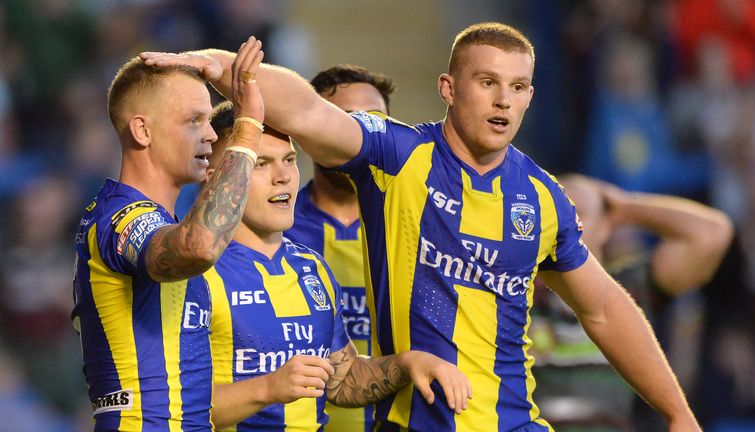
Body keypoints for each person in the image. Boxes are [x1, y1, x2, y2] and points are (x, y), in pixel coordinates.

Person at [142, 23, 702, 431]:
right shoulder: (399, 155)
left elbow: (603, 307)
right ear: (449, 88)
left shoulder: (542, 197)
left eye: (518, 86)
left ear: (531, 95)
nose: (503, 99)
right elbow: (311, 112)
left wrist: (678, 412)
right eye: (487, 82)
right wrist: (222, 67)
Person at [200, 101, 470, 430]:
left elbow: (340, 381)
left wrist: (408, 363)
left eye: (289, 160)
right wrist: (268, 388)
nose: (283, 177)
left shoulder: (312, 268)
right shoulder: (193, 273)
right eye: (261, 164)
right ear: (216, 179)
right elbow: (170, 403)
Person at [72, 40, 267, 431]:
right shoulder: (121, 218)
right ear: (142, 130)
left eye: (210, 121)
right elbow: (199, 246)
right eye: (194, 121)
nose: (212, 135)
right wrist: (246, 130)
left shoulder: (162, 220)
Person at [531, 174, 733, 430]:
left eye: (578, 211)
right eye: (557, 212)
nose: (566, 224)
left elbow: (713, 234)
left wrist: (623, 207)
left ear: (606, 226)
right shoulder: (519, 291)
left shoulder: (628, 292)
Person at [283, 64, 396, 432]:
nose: (359, 136)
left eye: (373, 122)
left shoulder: (422, 223)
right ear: (307, 132)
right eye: (345, 121)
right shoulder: (268, 229)